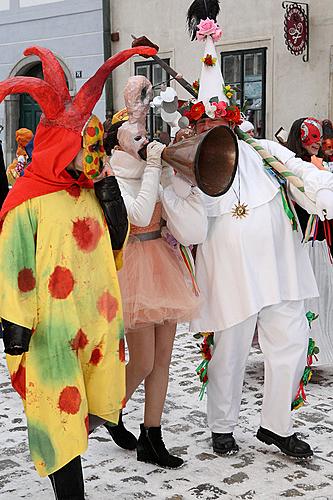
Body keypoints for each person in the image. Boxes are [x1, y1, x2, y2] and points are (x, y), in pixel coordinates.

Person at [0, 44, 156, 499]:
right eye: (85, 146)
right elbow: (14, 266)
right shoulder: (26, 201)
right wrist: (14, 324)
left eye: (92, 144)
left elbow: (114, 243)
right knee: (57, 414)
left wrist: (110, 195)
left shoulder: (88, 189)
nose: (93, 153)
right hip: (48, 329)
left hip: (93, 323)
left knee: (85, 407)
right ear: (61, 146)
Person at [185, 0, 333, 459]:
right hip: (231, 274)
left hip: (280, 267)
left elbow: (304, 177)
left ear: (232, 117)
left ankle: (276, 424)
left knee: (289, 343)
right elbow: (189, 225)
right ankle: (222, 425)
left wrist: (323, 192)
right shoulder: (190, 165)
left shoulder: (263, 149)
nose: (217, 126)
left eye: (221, 118)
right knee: (230, 349)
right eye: (208, 120)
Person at [103, 75, 207, 469]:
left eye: (143, 133)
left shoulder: (153, 166)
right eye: (135, 135)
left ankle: (152, 435)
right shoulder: (112, 175)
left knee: (163, 358)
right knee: (143, 361)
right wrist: (152, 167)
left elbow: (174, 209)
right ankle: (109, 410)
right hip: (133, 268)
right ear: (118, 141)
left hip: (164, 262)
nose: (144, 139)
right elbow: (141, 213)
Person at [286, 117, 333, 366]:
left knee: (323, 296)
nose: (318, 143)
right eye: (312, 138)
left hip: (320, 243)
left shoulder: (318, 165)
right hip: (303, 242)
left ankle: (317, 351)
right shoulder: (294, 168)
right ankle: (303, 353)